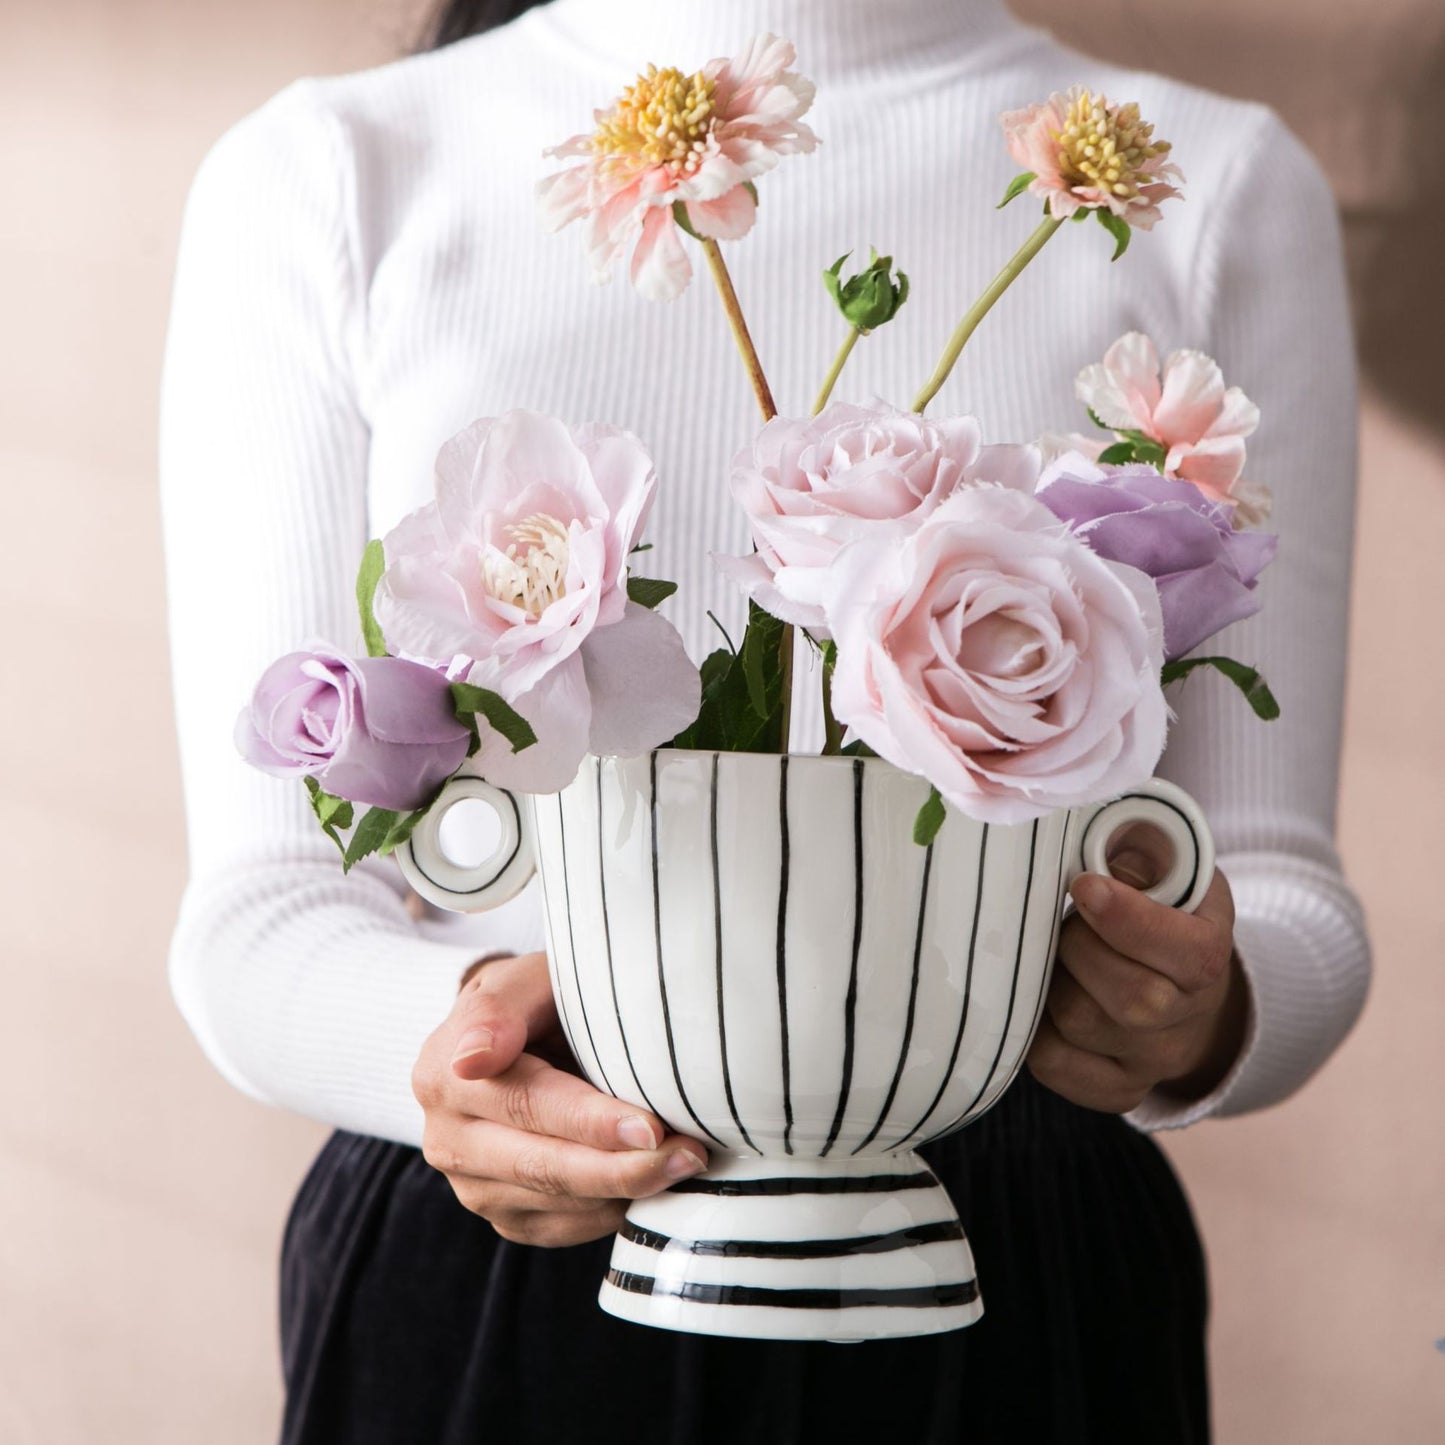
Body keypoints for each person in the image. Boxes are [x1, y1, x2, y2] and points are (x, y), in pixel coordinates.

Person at [158, 1, 1370, 1440]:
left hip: (1007, 1264)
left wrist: (1197, 1014)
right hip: (500, 1242)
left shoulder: (1215, 184)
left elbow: (1278, 891)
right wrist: (462, 1052)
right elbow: (261, 914)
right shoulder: (334, 175)